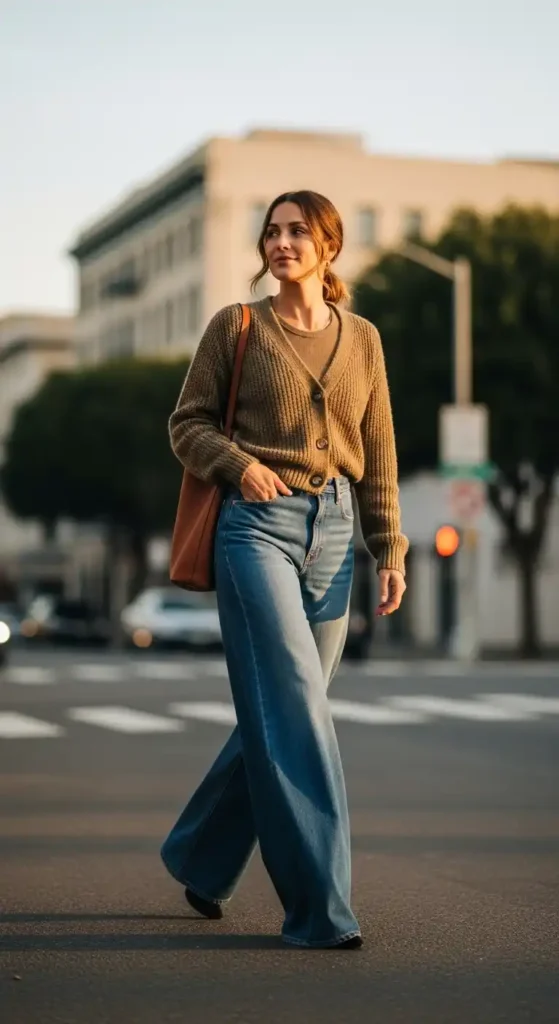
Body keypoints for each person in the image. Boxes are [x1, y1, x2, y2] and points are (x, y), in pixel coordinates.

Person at [161, 190, 408, 949]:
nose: (281, 242)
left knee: (282, 710)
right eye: (271, 231)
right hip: (254, 530)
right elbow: (186, 422)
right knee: (298, 708)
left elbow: (380, 450)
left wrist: (387, 544)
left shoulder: (361, 339)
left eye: (297, 231)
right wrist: (236, 465)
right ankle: (319, 909)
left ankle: (200, 857)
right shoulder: (236, 327)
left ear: (328, 246)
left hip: (334, 534)